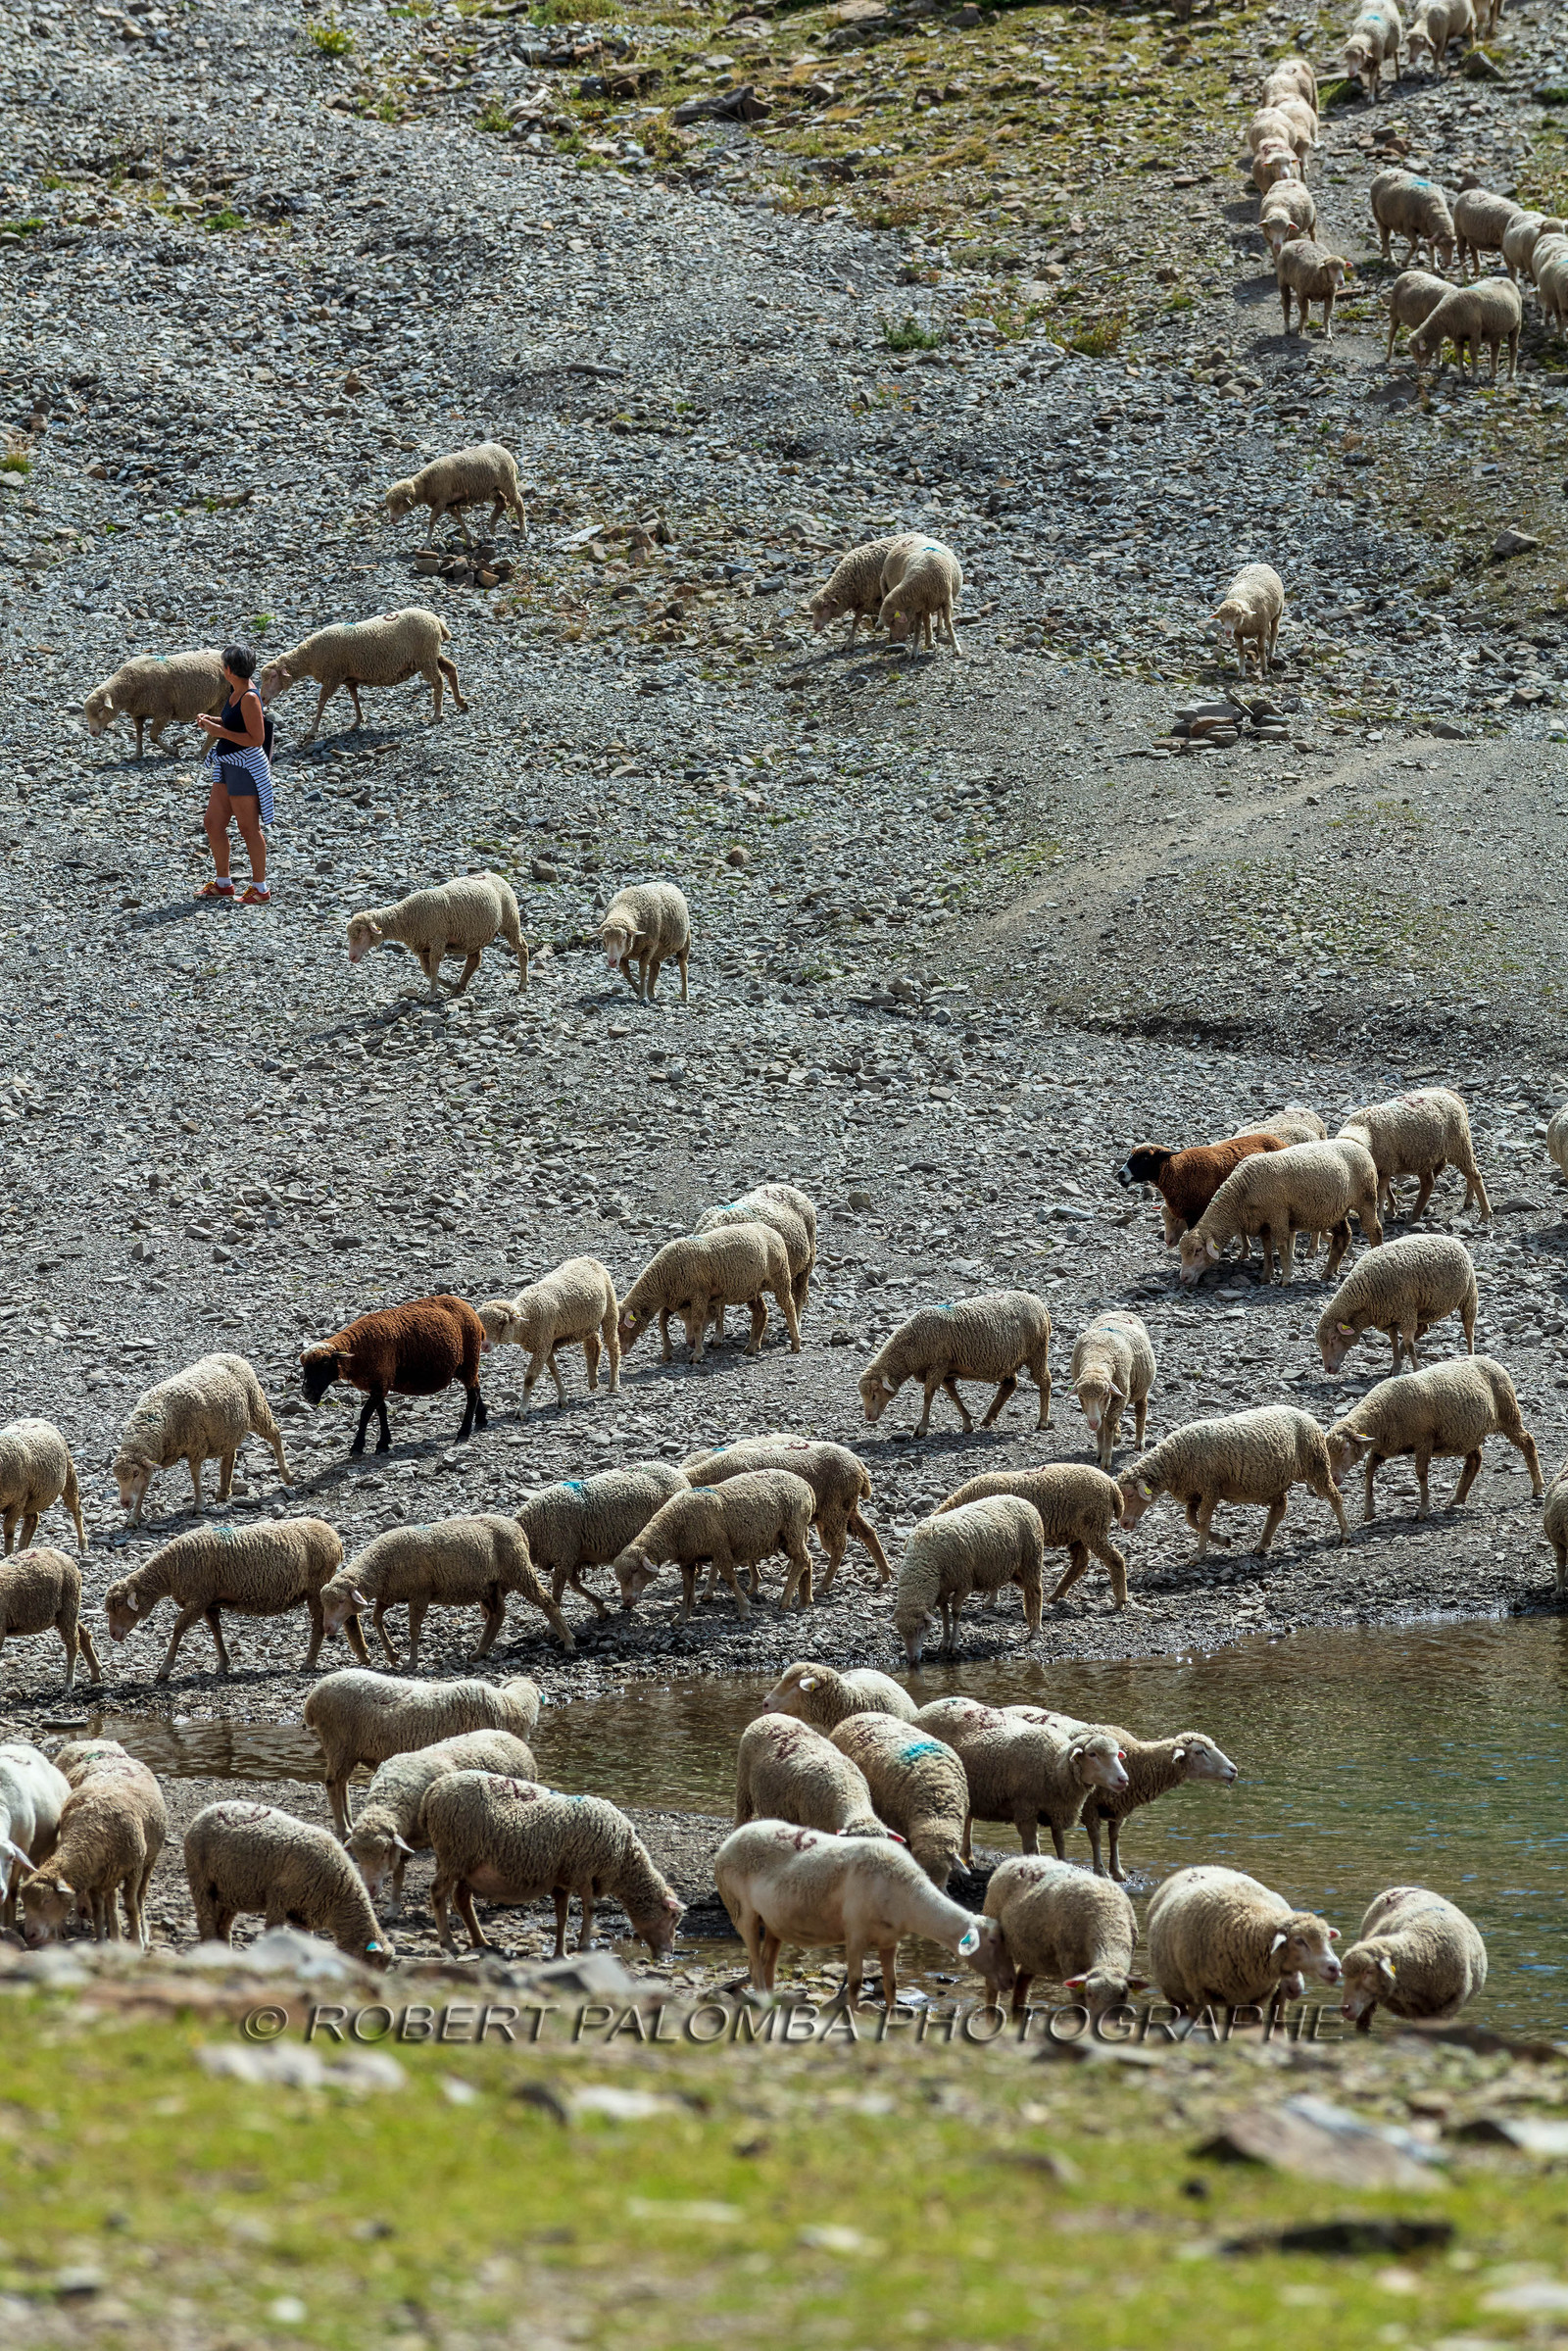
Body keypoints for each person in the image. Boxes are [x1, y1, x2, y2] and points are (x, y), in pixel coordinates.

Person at [194, 644, 273, 904]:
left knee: (248, 827)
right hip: (227, 765)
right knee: (213, 823)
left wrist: (219, 732)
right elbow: (236, 724)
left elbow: (256, 738)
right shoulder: (236, 691)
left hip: (244, 767)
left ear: (228, 669)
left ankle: (260, 889)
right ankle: (223, 884)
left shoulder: (249, 697)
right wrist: (214, 721)